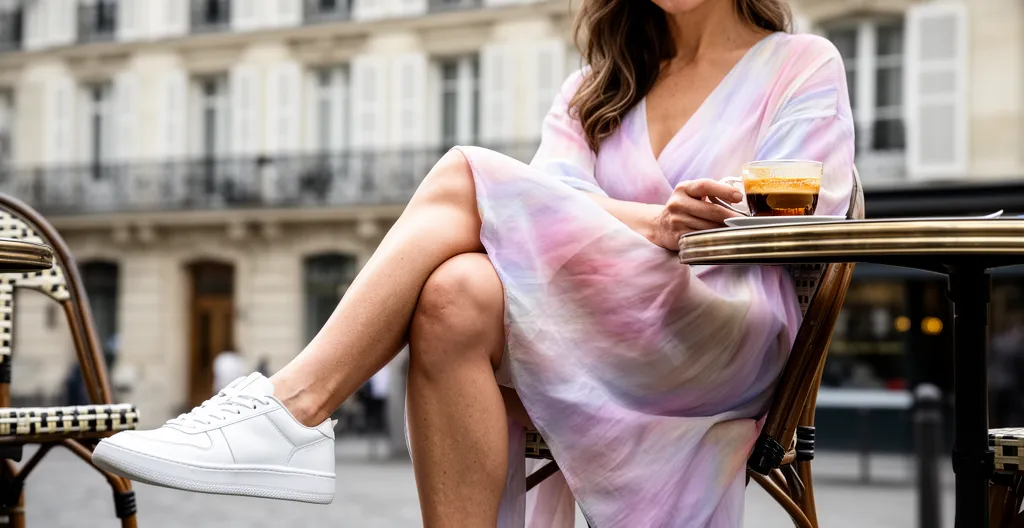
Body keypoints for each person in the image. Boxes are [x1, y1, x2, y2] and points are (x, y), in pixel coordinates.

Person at [92, 0, 855, 525]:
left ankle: (293, 409)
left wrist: (684, 227)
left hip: (723, 334)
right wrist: (652, 223)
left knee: (467, 173)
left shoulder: (799, 64)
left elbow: (801, 216)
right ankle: (289, 415)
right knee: (455, 290)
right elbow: (545, 213)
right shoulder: (596, 90)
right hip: (592, 328)